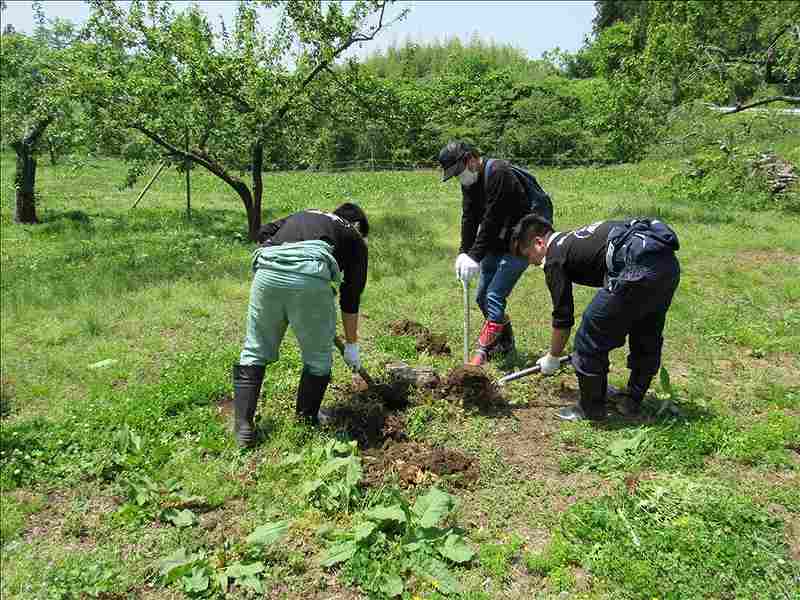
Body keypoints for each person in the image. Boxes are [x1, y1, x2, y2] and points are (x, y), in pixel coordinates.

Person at [512, 215, 680, 421]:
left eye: (528, 255)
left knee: (588, 337)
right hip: (667, 264)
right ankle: (632, 400)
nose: (530, 262)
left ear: (539, 242)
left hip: (636, 267)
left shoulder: (554, 256)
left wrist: (553, 357)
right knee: (646, 328)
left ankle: (590, 409)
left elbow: (563, 316)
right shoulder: (573, 240)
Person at [231, 203, 369, 447]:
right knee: (318, 359)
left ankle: (243, 426)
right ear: (357, 225)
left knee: (254, 349)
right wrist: (352, 345)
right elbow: (351, 296)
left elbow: (263, 232)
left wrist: (279, 264)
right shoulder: (355, 236)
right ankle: (305, 421)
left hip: (266, 270)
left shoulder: (306, 214)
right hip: (310, 277)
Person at [438, 140, 553, 366]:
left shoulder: (499, 172)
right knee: (482, 297)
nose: (459, 178)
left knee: (494, 296)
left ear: (471, 159)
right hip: (497, 242)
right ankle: (505, 342)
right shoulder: (470, 181)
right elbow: (469, 217)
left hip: (521, 242)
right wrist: (464, 252)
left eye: (459, 172)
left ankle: (483, 350)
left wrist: (475, 256)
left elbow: (493, 219)